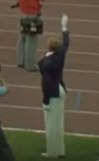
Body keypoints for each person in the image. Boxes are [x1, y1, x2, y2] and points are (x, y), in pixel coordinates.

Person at [39, 14, 70, 158]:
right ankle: (60, 150)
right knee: (59, 122)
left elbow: (46, 83)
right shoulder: (60, 54)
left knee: (51, 124)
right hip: (60, 88)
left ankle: (52, 152)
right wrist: (64, 27)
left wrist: (46, 100)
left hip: (52, 92)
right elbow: (66, 43)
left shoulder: (47, 63)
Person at [17, 0, 45, 72]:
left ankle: (20, 60)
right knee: (31, 40)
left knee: (22, 37)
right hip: (32, 15)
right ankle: (29, 64)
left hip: (23, 13)